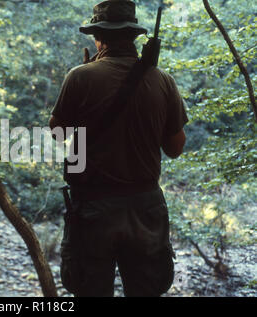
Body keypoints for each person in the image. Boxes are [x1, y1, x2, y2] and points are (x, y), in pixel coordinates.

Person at [49, 0, 189, 297]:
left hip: (93, 210)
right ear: (134, 37)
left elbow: (58, 133)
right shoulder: (163, 80)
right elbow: (175, 148)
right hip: (145, 209)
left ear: (99, 37)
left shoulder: (79, 76)